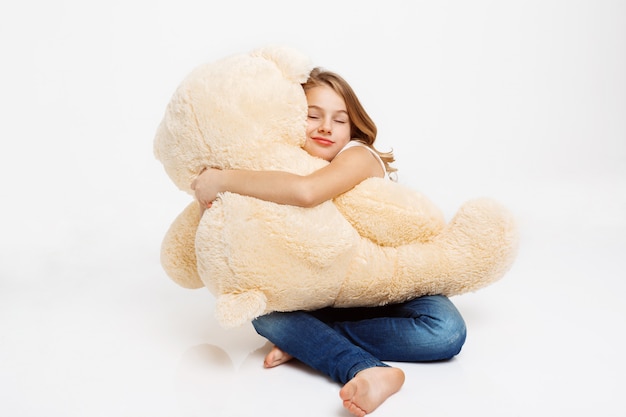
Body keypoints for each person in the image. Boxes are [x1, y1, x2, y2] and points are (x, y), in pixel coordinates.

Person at [191, 68, 467, 417]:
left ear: (354, 128)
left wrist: (222, 179)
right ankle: (365, 369)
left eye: (340, 120)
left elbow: (307, 193)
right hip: (324, 288)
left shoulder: (359, 155)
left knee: (446, 333)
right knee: (266, 315)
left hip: (386, 285)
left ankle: (311, 341)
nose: (325, 127)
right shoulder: (281, 165)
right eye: (312, 115)